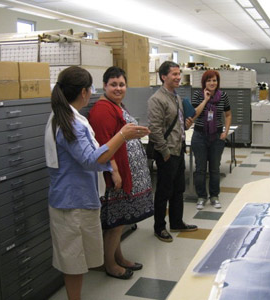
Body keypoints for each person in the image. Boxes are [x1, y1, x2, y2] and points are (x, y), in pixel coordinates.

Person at [44, 66, 149, 300]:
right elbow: (92, 159)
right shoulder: (70, 122)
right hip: (72, 203)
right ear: (84, 91)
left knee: (79, 258)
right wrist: (122, 135)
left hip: (78, 198)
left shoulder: (68, 116)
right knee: (73, 260)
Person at [88, 67, 153, 280]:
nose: (118, 88)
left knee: (120, 222)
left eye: (122, 84)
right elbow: (104, 142)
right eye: (113, 84)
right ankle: (110, 265)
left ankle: (119, 257)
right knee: (115, 224)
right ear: (104, 86)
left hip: (126, 174)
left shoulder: (116, 106)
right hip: (116, 176)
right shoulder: (102, 109)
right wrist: (114, 172)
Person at [147, 61, 198, 243]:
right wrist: (165, 152)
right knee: (163, 191)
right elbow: (155, 129)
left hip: (178, 149)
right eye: (174, 74)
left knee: (178, 189)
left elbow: (175, 124)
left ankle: (176, 222)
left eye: (179, 74)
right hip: (167, 153)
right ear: (163, 77)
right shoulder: (156, 99)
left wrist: (185, 125)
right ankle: (159, 227)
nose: (178, 77)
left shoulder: (176, 97)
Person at [191, 70, 232, 210]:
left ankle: (214, 196)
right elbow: (194, 115)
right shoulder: (198, 94)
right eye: (209, 80)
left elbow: (228, 115)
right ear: (204, 82)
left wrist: (226, 131)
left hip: (217, 136)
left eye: (214, 80)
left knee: (215, 169)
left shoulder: (223, 96)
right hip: (200, 136)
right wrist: (206, 100)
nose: (212, 83)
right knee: (200, 169)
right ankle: (201, 197)